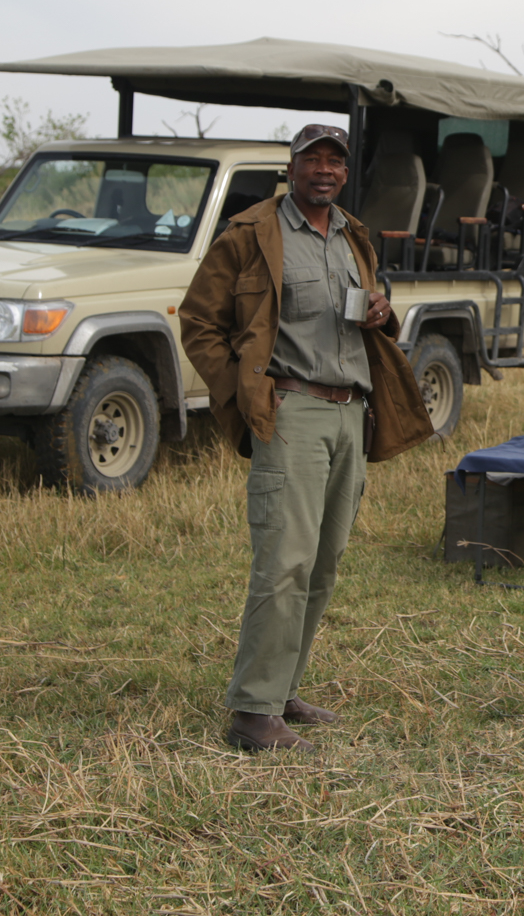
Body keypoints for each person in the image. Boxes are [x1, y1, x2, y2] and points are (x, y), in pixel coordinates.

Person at [180, 123, 433, 752]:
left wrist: (381, 310)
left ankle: (281, 689)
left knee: (322, 563)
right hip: (291, 410)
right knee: (283, 561)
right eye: (312, 159)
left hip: (352, 413)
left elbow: (365, 315)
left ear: (347, 173)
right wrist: (243, 391)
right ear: (290, 167)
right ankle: (251, 713)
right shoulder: (250, 234)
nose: (324, 170)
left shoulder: (352, 235)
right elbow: (198, 322)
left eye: (335, 162)